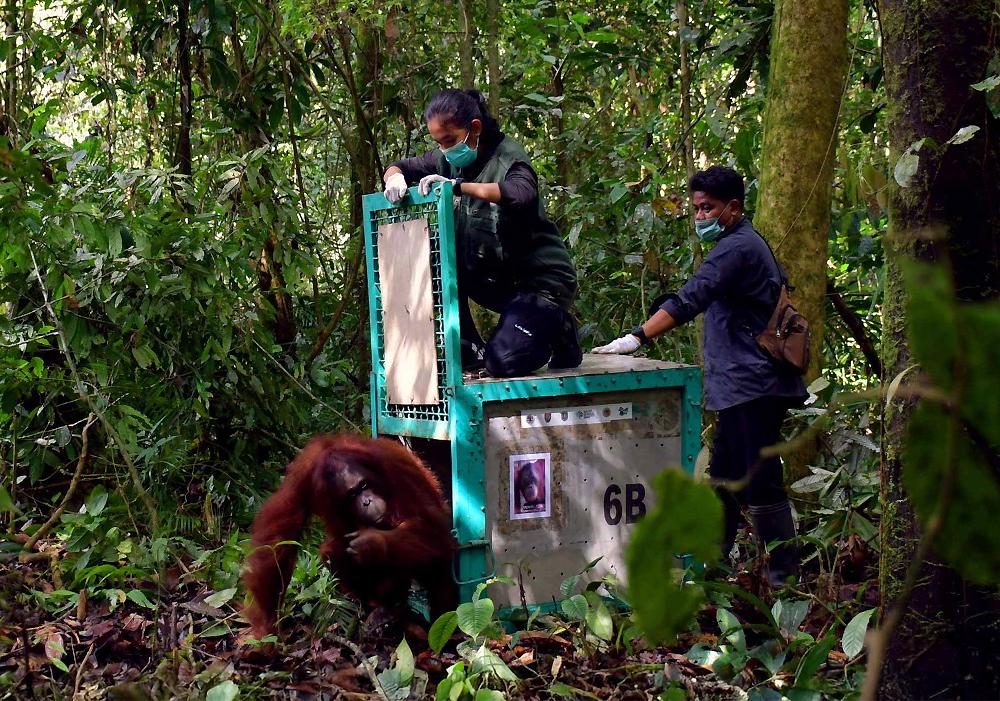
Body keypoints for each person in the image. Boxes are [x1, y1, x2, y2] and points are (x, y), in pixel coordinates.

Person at [593, 166, 807, 587]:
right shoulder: (740, 242)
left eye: (707, 208)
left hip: (754, 385)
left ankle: (786, 581)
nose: (699, 217)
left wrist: (637, 338)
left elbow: (694, 296)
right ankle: (716, 569)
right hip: (741, 387)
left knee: (759, 480)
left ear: (733, 208)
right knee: (724, 477)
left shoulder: (737, 247)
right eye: (695, 209)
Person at [382, 88, 582, 378]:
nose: (444, 150)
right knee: (437, 270)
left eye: (449, 141)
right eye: (438, 143)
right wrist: (395, 178)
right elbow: (400, 166)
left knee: (502, 361)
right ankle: (471, 346)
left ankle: (559, 327)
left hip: (540, 286)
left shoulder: (508, 158)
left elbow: (521, 193)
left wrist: (458, 187)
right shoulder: (447, 158)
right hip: (492, 281)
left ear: (474, 128)